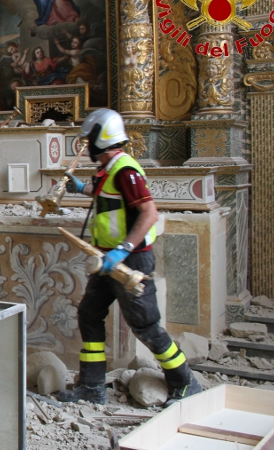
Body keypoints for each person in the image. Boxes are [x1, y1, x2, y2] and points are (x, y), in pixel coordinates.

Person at [57, 109, 201, 406]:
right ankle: (93, 385)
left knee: (146, 326)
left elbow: (149, 213)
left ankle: (184, 382)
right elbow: (104, 194)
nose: (86, 145)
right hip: (107, 260)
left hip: (130, 261)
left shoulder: (126, 170)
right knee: (89, 313)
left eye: (89, 138)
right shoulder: (109, 170)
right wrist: (81, 188)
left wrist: (123, 249)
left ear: (101, 137)